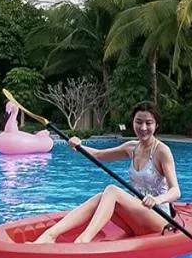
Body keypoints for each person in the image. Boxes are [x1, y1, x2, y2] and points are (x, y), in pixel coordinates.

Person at [34, 101, 179, 244]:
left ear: (156, 125)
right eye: (139, 122)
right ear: (133, 122)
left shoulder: (162, 151)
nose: (143, 127)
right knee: (100, 197)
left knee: (112, 190)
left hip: (160, 219)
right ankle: (50, 235)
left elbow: (176, 191)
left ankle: (83, 240)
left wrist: (156, 199)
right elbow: (98, 155)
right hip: (138, 217)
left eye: (149, 123)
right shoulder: (132, 148)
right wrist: (78, 146)